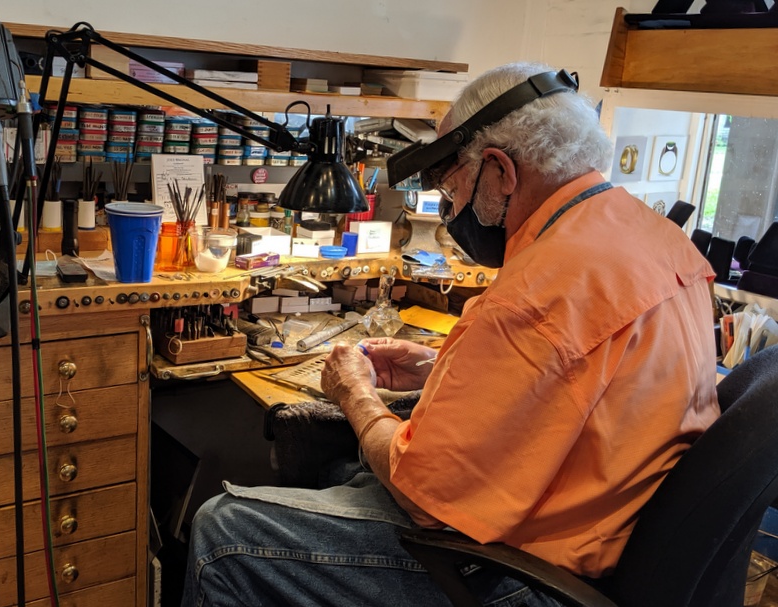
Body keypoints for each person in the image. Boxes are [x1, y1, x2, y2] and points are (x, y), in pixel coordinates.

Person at [181, 62, 720, 606]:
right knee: (343, 474)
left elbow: (424, 496)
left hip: (524, 575)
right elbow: (585, 390)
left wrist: (357, 396)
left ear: (500, 171)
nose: (450, 209)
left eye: (451, 186)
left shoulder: (536, 292)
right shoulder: (659, 240)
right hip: (612, 543)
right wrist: (443, 367)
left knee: (223, 530)